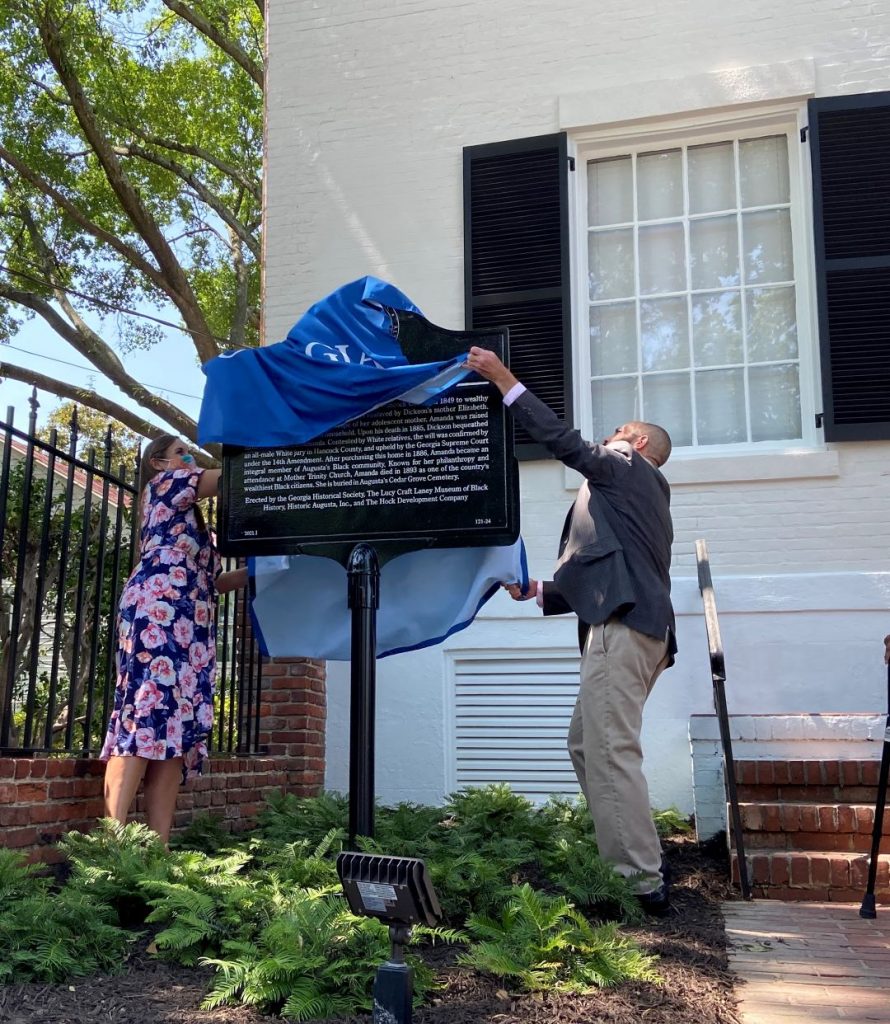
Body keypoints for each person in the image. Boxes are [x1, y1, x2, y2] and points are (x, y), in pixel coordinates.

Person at [465, 346, 676, 915]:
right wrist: (540, 591)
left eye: (618, 432)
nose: (609, 437)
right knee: (587, 745)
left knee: (609, 748)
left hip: (623, 629)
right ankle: (625, 855)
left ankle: (636, 881)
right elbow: (608, 563)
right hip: (630, 625)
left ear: (639, 444)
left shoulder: (630, 467)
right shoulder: (633, 499)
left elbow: (567, 443)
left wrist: (504, 378)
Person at [99, 435, 247, 846]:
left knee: (175, 733)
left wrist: (263, 572)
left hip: (191, 623)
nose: (190, 458)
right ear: (158, 464)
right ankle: (113, 847)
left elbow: (214, 582)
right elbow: (232, 476)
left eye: (191, 453)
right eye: (182, 452)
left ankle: (155, 855)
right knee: (144, 712)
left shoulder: (195, 521)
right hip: (157, 610)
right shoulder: (165, 487)